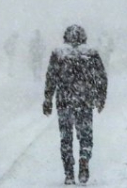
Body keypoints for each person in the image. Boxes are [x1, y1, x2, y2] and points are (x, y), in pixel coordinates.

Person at [43, 24, 107, 185]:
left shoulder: (59, 53)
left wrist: (48, 99)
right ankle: (84, 159)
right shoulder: (91, 53)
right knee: (85, 135)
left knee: (66, 137)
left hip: (64, 101)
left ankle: (69, 172)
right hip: (85, 100)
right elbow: (101, 77)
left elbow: (51, 77)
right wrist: (100, 97)